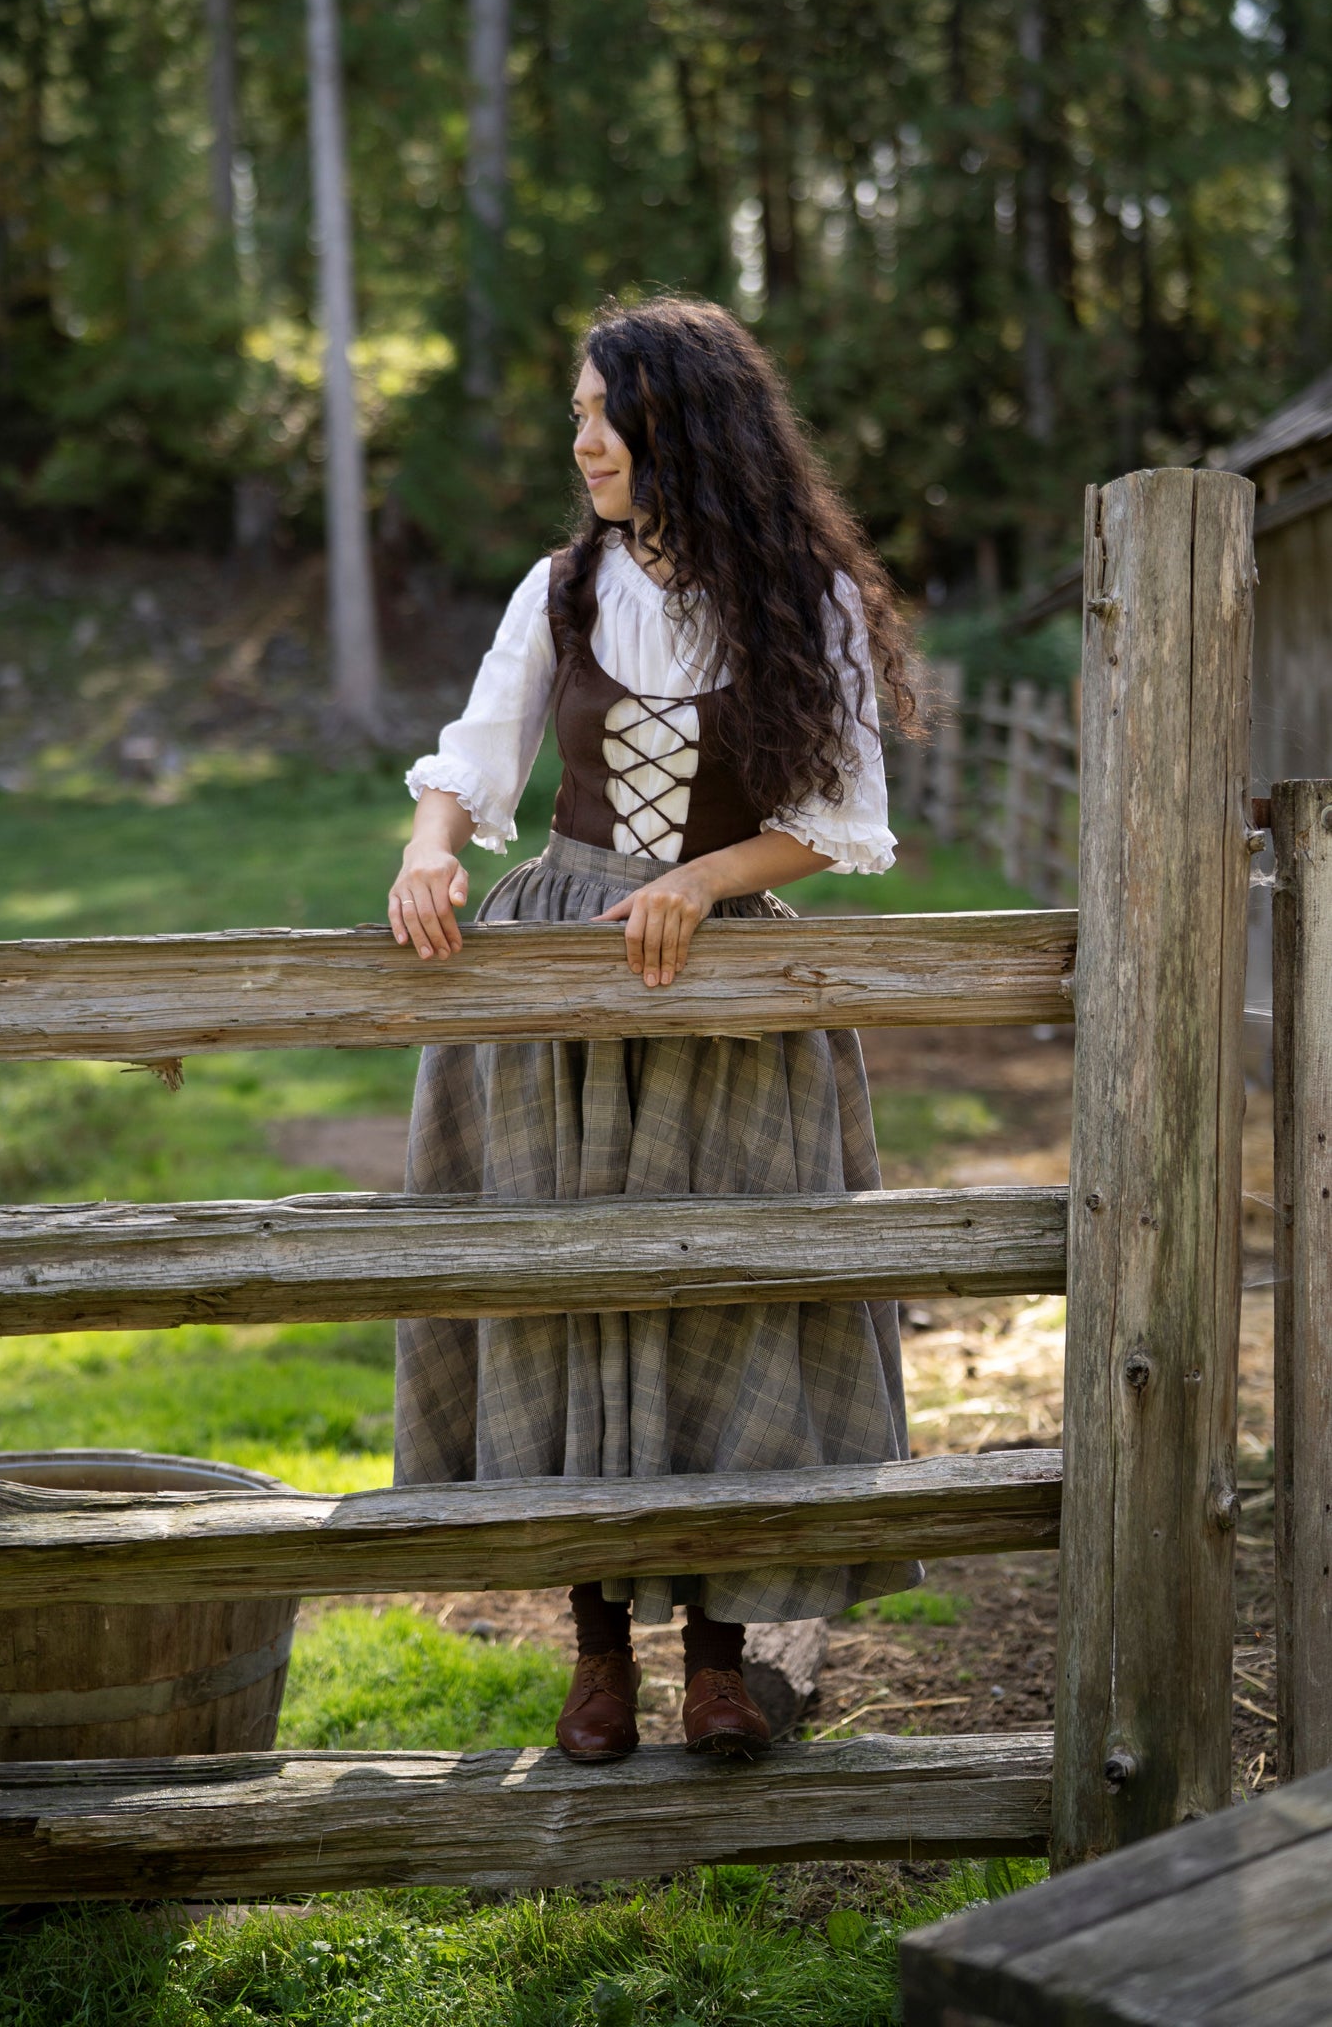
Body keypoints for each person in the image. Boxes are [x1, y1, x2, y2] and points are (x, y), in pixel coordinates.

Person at [389, 295, 920, 1763]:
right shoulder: (557, 590)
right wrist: (431, 845)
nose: (580, 444)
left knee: (724, 1288)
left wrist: (699, 876)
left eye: (597, 416)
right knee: (573, 1292)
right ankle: (598, 1651)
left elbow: (839, 821)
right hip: (561, 974)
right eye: (573, 416)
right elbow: (476, 752)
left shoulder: (799, 594)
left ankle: (719, 1654)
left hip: (726, 986)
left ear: (674, 424)